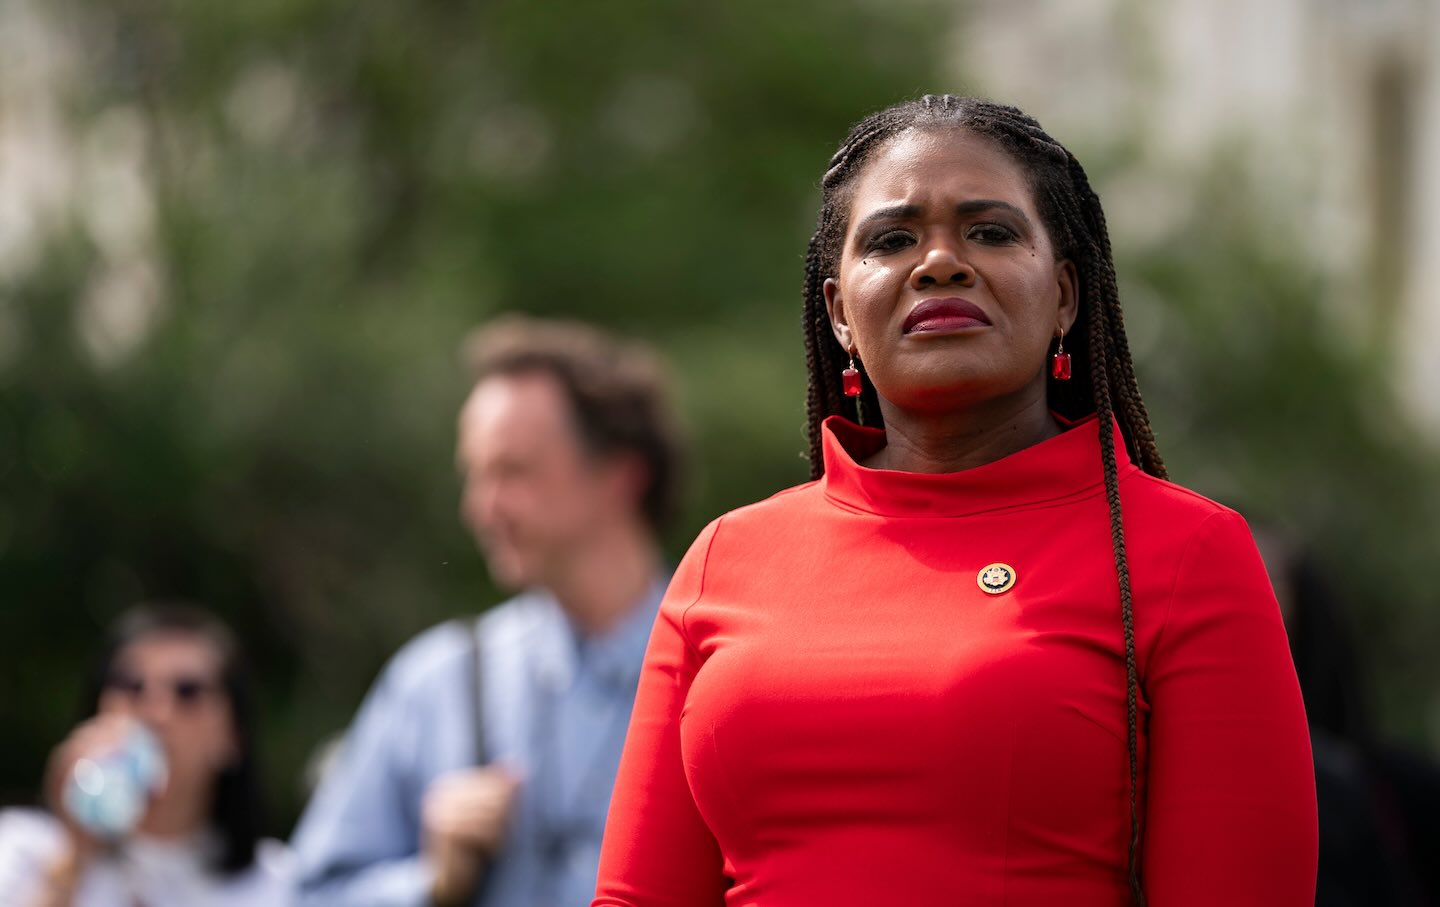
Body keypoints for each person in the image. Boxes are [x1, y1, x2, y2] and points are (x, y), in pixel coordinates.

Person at [592, 95, 1318, 906]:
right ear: (838, 312)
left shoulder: (1183, 551)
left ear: (1067, 296)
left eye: (991, 231)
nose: (939, 261)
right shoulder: (725, 557)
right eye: (893, 239)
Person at [292, 316, 685, 907]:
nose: (480, 508)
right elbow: (305, 895)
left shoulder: (721, 673)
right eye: (474, 475)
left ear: (620, 474)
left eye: (512, 471)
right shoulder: (431, 683)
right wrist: (427, 881)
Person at [0, 604, 292, 907]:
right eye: (131, 685)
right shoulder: (23, 849)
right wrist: (73, 859)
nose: (156, 712)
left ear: (234, 736)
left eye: (187, 691)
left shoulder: (280, 884)